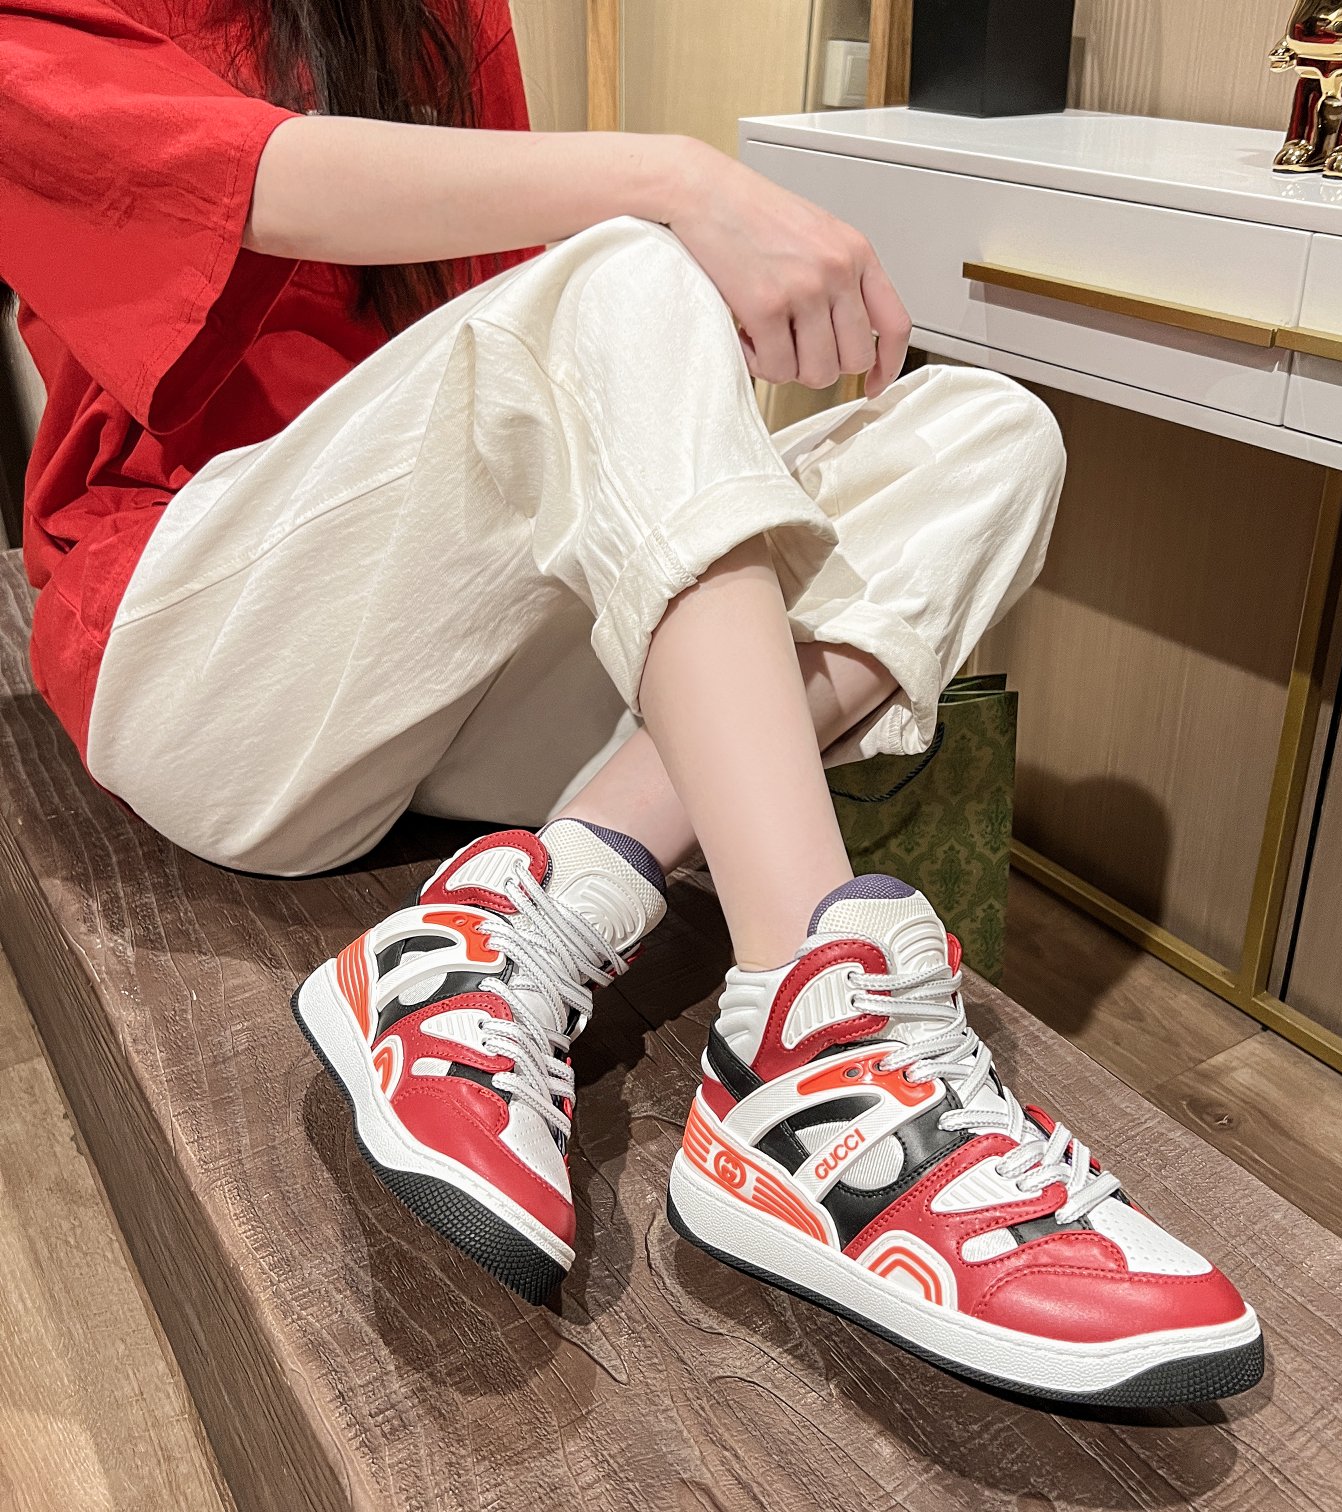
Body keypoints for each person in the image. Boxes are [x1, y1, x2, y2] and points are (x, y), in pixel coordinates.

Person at [1, 0, 1262, 1406]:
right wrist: (674, 183)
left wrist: (670, 384)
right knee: (623, 268)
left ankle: (538, 905)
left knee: (990, 435)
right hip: (214, 671)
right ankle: (814, 1057)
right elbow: (250, 181)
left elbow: (503, 314)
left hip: (452, 665)